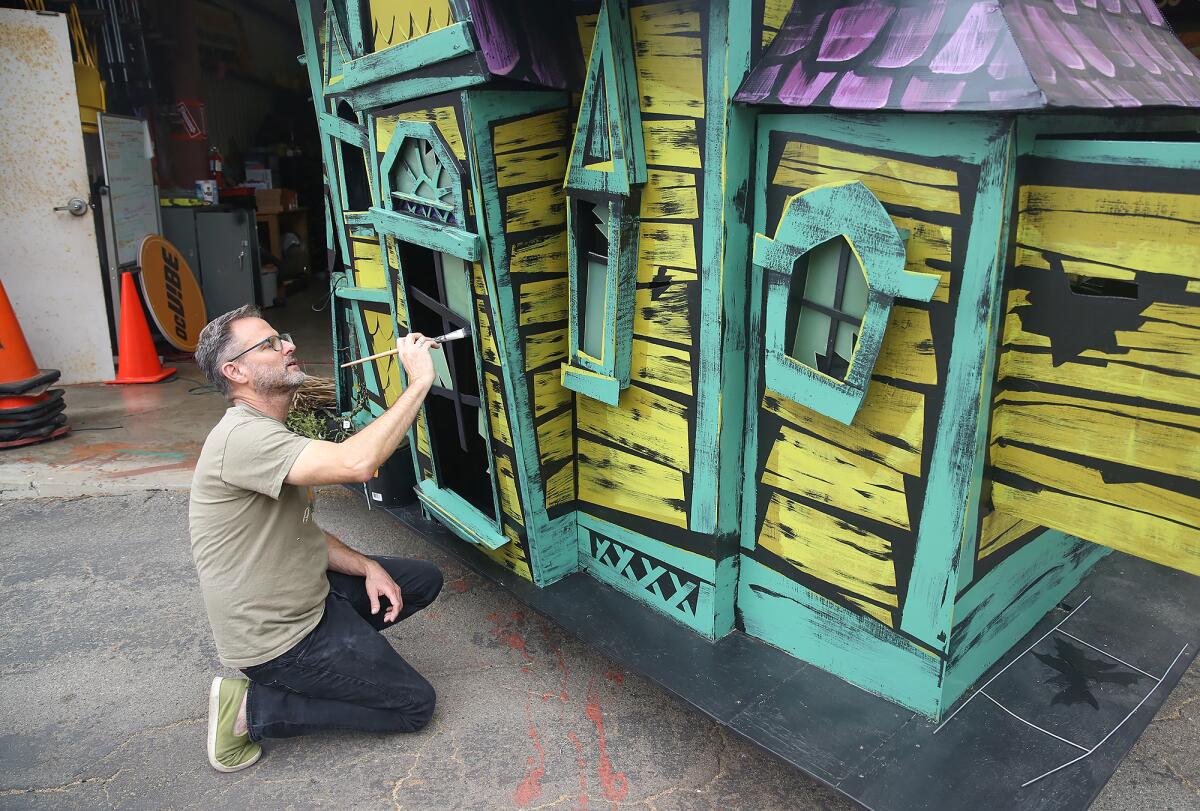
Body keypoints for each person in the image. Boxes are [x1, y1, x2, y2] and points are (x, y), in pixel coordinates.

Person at [188, 304, 442, 772]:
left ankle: (339, 664)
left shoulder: (268, 430)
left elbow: (299, 532)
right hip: (279, 639)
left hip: (310, 597)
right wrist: (419, 382)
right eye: (269, 344)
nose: (288, 345)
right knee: (414, 706)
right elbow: (356, 465)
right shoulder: (242, 439)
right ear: (235, 371)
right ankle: (252, 710)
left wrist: (367, 565)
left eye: (281, 336)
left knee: (419, 580)